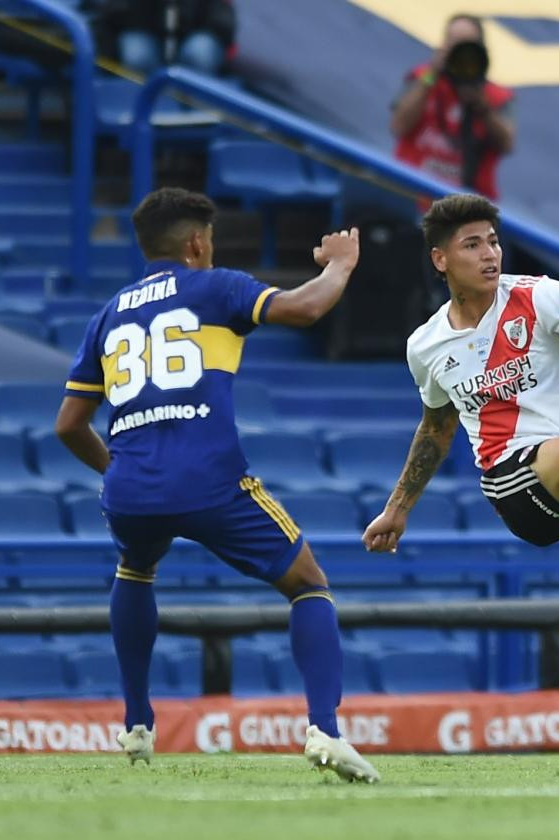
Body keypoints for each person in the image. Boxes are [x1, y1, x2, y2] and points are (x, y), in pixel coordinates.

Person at [54, 187, 379, 783]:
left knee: (135, 569)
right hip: (209, 481)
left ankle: (136, 723)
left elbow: (68, 424)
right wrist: (340, 265)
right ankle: (325, 730)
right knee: (309, 586)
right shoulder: (214, 286)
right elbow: (306, 308)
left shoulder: (110, 313)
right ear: (197, 243)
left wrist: (117, 470)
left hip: (130, 489)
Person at [361, 193, 559, 779]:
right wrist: (397, 508)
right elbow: (436, 426)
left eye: (493, 241)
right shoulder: (425, 346)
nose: (489, 254)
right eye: (472, 244)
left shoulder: (536, 295)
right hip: (514, 484)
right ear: (440, 259)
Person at [390, 14, 515, 200]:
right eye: (453, 43)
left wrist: (482, 107)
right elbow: (398, 126)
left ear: (480, 51)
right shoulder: (423, 79)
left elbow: (507, 144)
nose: (460, 52)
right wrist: (431, 76)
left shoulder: (495, 97)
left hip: (464, 207)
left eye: (466, 45)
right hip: (408, 195)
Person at [94, 0, 236, 78]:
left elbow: (222, 21)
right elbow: (115, 13)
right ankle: (143, 110)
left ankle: (197, 108)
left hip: (195, 33)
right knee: (137, 54)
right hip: (144, 30)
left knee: (198, 51)